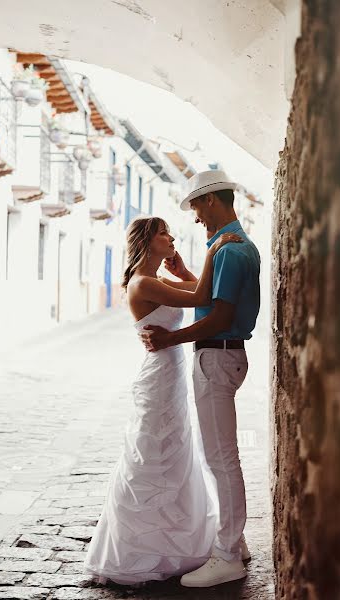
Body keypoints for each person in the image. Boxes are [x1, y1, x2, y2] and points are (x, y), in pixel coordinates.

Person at [83, 215, 242, 586]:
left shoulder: (156, 280)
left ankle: (173, 545)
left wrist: (185, 267)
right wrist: (214, 249)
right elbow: (203, 296)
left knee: (176, 454)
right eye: (163, 233)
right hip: (157, 379)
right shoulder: (143, 284)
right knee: (153, 456)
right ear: (147, 241)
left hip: (170, 374)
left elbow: (193, 292)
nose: (171, 237)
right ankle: (141, 551)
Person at [141, 170, 261, 587]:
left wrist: (169, 339)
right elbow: (211, 297)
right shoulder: (233, 246)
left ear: (211, 201)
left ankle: (227, 555)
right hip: (225, 357)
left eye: (195, 206)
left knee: (222, 460)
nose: (194, 218)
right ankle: (236, 540)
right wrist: (186, 271)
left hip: (218, 358)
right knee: (222, 458)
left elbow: (219, 317)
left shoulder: (229, 250)